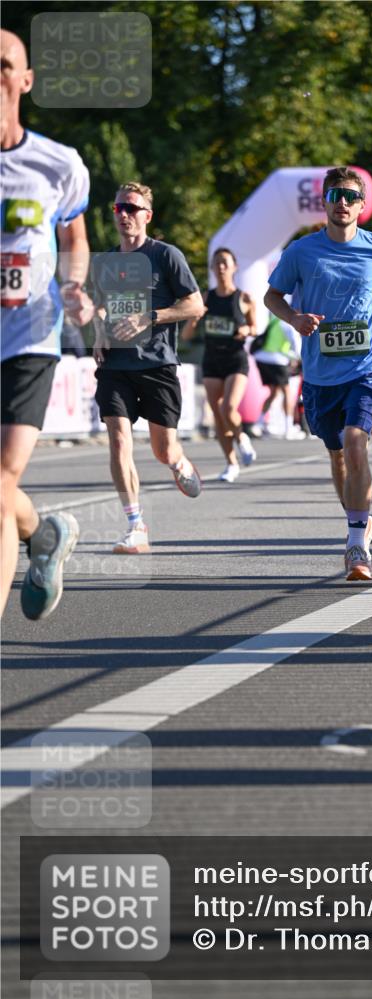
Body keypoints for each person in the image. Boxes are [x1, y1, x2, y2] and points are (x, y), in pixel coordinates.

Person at [264, 165, 372, 581]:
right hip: (319, 373)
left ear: (362, 205)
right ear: (325, 203)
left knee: (355, 440)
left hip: (368, 366)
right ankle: (359, 521)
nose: (343, 203)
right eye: (335, 196)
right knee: (337, 456)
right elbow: (271, 295)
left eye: (351, 197)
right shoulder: (300, 252)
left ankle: (355, 546)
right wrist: (294, 319)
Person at [1, 29, 94, 620]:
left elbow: (74, 239)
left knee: (1, 477)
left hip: (29, 336)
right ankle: (42, 534)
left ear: (25, 80)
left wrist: (75, 283)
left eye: (3, 64)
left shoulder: (58, 164)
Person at [91, 182, 205, 553]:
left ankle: (179, 462)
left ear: (147, 216)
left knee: (163, 451)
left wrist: (151, 317)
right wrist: (98, 329)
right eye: (119, 208)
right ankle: (135, 523)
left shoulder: (166, 256)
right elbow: (103, 306)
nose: (124, 214)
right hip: (115, 365)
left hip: (157, 365)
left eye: (132, 208)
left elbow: (195, 306)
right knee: (119, 439)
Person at [182, 247, 257, 482]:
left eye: (225, 262)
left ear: (234, 267)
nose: (221, 267)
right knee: (217, 415)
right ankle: (231, 463)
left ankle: (242, 438)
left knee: (229, 408)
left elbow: (255, 328)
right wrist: (194, 318)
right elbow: (185, 336)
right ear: (213, 269)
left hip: (235, 359)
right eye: (217, 263)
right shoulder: (205, 298)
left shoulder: (244, 298)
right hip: (212, 359)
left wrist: (246, 329)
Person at [253, 314, 305, 439]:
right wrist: (298, 360)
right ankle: (288, 428)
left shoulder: (275, 319)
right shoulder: (289, 324)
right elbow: (297, 349)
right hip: (277, 360)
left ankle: (259, 424)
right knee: (287, 392)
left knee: (273, 392)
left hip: (262, 358)